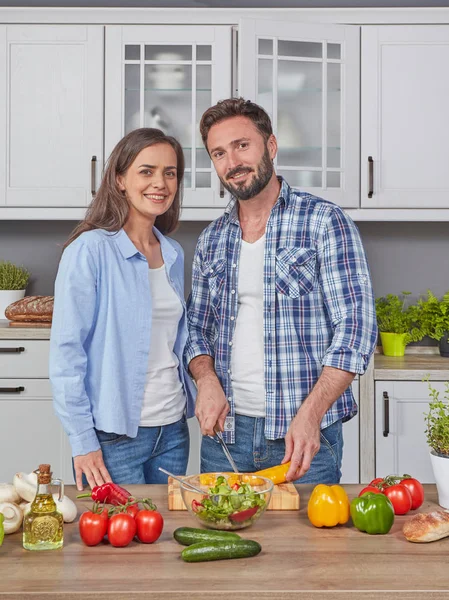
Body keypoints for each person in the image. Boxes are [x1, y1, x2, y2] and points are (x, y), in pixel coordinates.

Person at [185, 98, 378, 484]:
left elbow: (356, 329)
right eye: (219, 153)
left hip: (303, 436)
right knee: (223, 541)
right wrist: (205, 380)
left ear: (270, 147)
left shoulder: (324, 222)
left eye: (243, 145)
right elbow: (196, 329)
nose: (232, 162)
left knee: (308, 545)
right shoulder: (212, 239)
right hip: (226, 438)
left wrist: (312, 414)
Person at [49, 128, 196, 491]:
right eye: (146, 171)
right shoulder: (91, 251)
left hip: (173, 430)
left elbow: (175, 342)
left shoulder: (173, 253)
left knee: (163, 544)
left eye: (170, 172)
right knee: (118, 545)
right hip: (114, 439)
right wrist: (83, 442)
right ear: (120, 180)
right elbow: (67, 356)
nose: (160, 183)